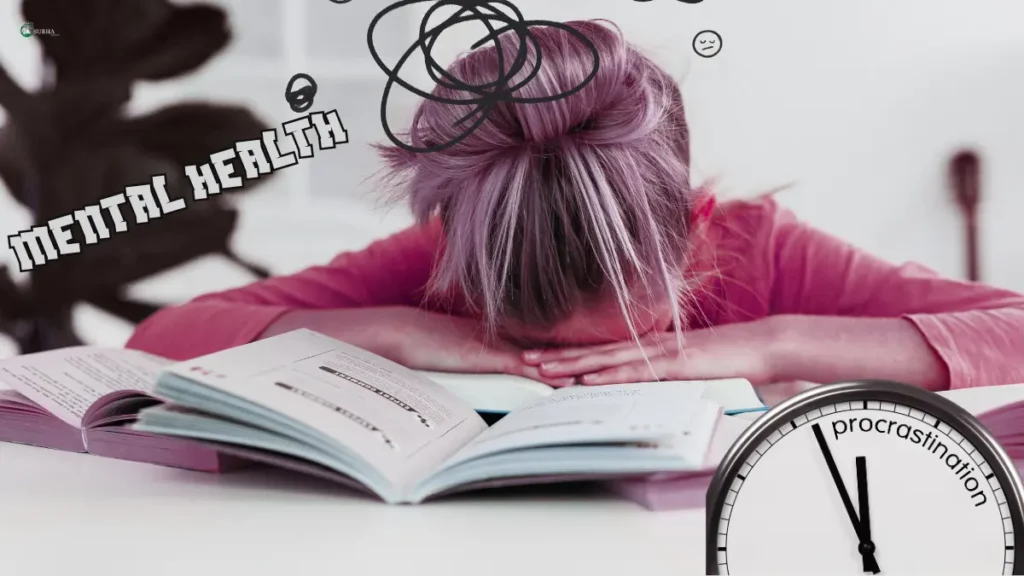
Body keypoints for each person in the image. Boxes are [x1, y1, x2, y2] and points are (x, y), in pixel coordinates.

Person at [127, 20, 1024, 392]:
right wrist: (398, 334)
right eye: (535, 351)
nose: (584, 383)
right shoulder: (439, 267)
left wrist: (772, 341)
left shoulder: (765, 253)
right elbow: (163, 335)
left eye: (639, 348)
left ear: (696, 230)